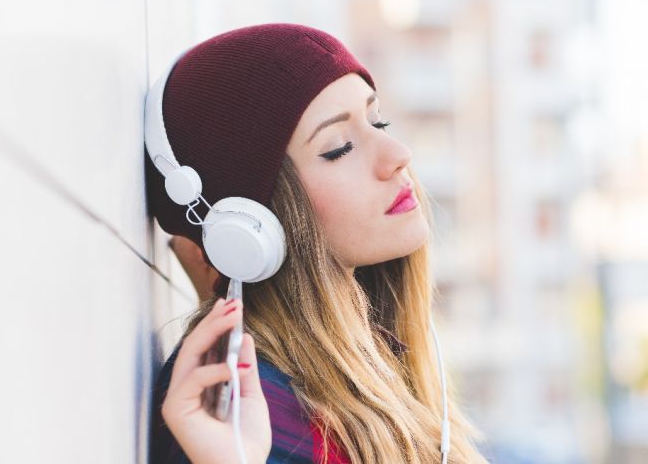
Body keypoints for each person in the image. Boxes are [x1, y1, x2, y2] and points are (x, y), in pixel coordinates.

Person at [147, 23, 490, 463]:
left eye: (377, 121)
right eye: (339, 148)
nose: (398, 154)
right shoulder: (245, 408)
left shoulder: (365, 370)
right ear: (248, 226)